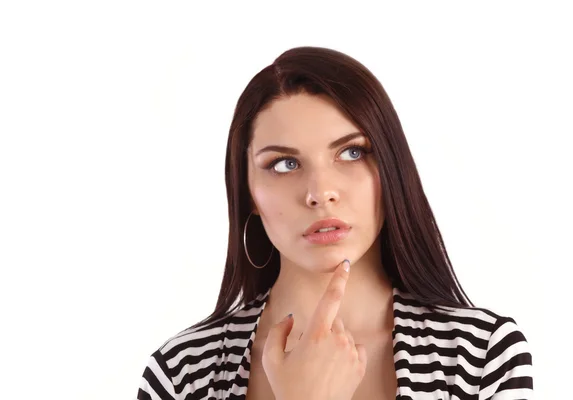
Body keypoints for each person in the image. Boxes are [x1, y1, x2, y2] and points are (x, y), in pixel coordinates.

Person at [137, 46, 533, 400]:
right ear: (249, 195)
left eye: (351, 153)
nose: (320, 191)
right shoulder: (181, 376)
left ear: (391, 169)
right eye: (284, 164)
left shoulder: (481, 356)